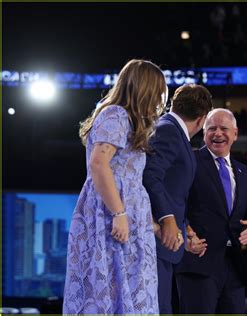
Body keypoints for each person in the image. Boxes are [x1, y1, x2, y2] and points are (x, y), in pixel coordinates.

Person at [63, 59, 167, 314]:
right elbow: (99, 165)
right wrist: (119, 214)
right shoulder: (116, 114)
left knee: (129, 292)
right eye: (158, 91)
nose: (160, 99)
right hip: (110, 217)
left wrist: (151, 225)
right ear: (145, 89)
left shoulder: (128, 120)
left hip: (127, 220)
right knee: (110, 292)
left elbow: (128, 179)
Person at [174, 108, 247, 313]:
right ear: (204, 133)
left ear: (235, 134)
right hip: (198, 266)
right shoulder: (189, 163)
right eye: (212, 128)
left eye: (224, 128)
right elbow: (176, 205)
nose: (218, 133)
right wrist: (185, 234)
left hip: (235, 269)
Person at [142, 83, 213, 313]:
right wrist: (167, 219)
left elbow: (173, 191)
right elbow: (151, 176)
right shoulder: (168, 130)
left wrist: (186, 233)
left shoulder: (172, 130)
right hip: (155, 240)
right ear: (202, 120)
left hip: (166, 242)